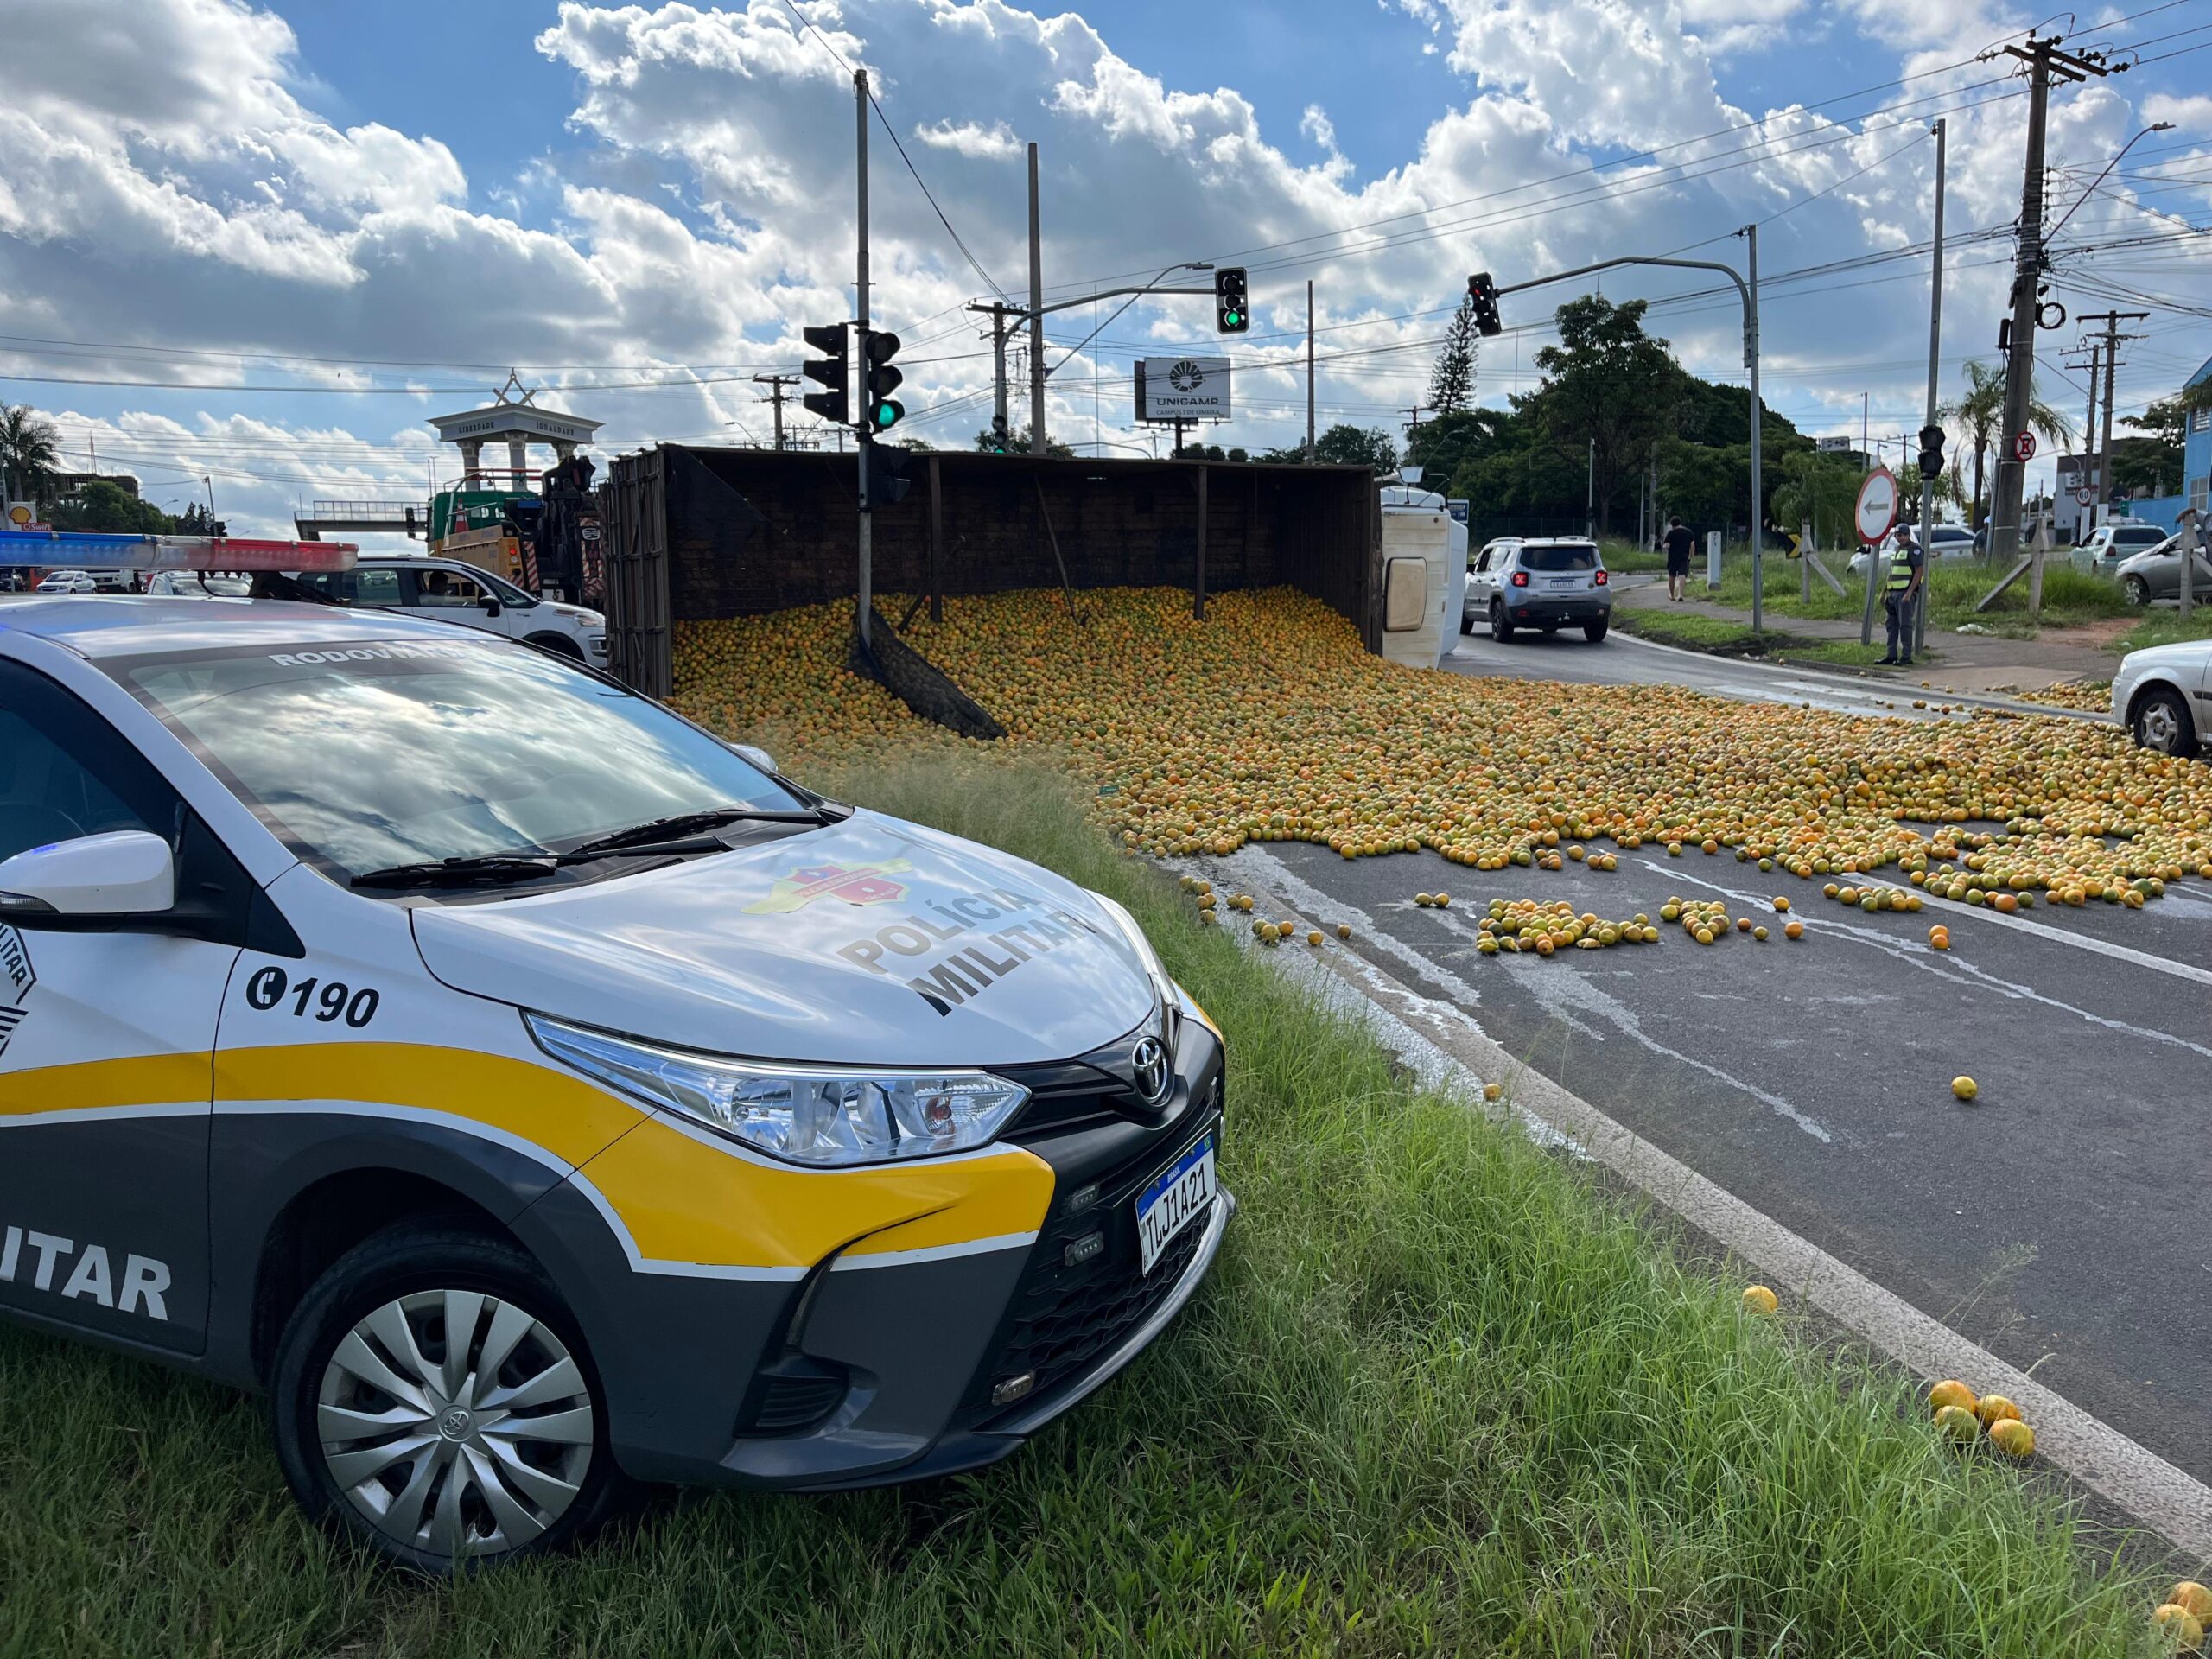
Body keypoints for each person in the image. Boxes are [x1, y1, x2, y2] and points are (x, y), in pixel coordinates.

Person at [1879, 524, 1924, 666]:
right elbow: (1892, 572)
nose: (1902, 538)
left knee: (1905, 625)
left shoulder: (1914, 549)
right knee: (1891, 625)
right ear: (1895, 536)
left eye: (1904, 535)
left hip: (1905, 593)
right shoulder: (1897, 550)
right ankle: (1891, 655)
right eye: (1899, 535)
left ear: (1909, 535)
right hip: (1893, 593)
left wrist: (1910, 592)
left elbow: (1919, 571)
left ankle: (1906, 656)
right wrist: (1884, 591)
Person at [1662, 516, 1694, 601]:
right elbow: (1692, 545)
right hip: (1684, 557)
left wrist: (1665, 546)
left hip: (1672, 558)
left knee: (1671, 576)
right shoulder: (1689, 532)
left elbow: (1666, 545)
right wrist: (1691, 556)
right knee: (1682, 575)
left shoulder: (1671, 533)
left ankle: (1672, 595)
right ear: (1680, 522)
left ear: (1672, 524)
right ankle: (1680, 595)